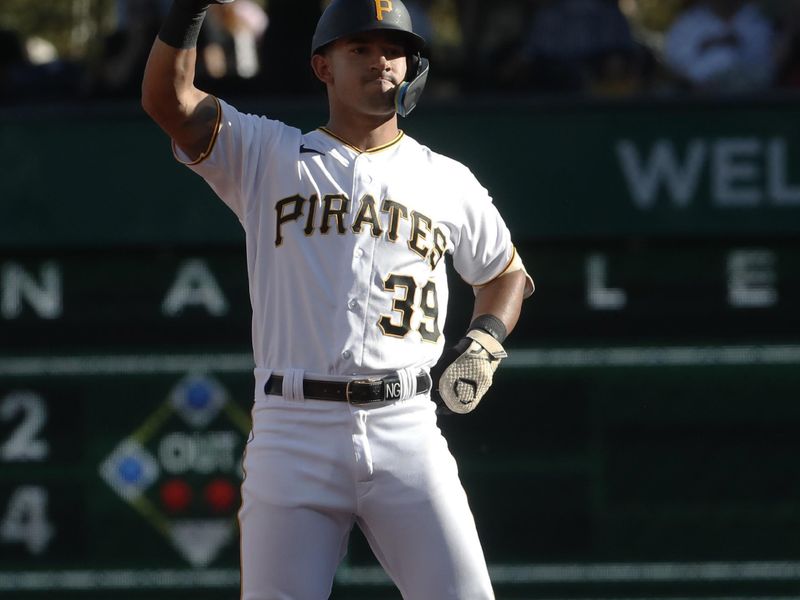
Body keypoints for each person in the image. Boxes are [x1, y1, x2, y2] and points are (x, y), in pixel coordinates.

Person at [141, 0, 533, 598]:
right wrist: (190, 11)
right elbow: (168, 102)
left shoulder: (446, 179)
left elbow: (505, 273)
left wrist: (486, 339)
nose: (383, 60)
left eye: (395, 49)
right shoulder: (267, 153)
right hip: (292, 426)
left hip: (407, 426)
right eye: (362, 48)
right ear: (323, 67)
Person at [663, 0, 775, 93]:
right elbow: (675, 65)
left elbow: (766, 65)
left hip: (749, 99)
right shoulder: (687, 23)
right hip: (697, 101)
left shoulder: (756, 20)